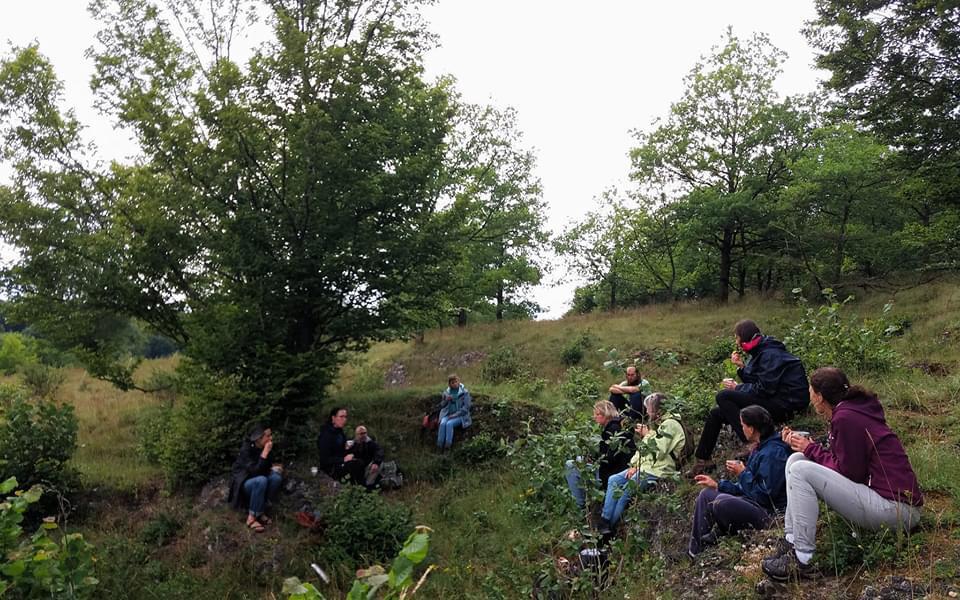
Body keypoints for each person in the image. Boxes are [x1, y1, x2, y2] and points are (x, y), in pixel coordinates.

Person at [761, 367, 924, 581]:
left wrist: (811, 448)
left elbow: (850, 472)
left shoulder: (845, 418)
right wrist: (808, 447)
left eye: (811, 393)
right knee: (795, 460)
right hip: (894, 503)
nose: (810, 399)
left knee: (801, 469)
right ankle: (792, 540)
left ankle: (802, 559)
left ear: (820, 397)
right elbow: (848, 459)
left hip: (897, 510)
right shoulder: (853, 409)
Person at [689, 319, 809, 476]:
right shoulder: (762, 349)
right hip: (775, 399)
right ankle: (703, 460)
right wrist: (741, 367)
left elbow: (765, 389)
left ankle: (753, 443)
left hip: (787, 404)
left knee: (724, 396)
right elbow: (760, 382)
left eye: (737, 338)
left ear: (744, 339)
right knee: (716, 413)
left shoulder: (770, 354)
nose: (736, 343)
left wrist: (737, 388)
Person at [688, 405, 790, 557]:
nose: (741, 428)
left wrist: (742, 473)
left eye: (743, 425)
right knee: (706, 494)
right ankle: (695, 550)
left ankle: (719, 533)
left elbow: (765, 496)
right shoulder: (761, 448)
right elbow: (746, 488)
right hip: (752, 502)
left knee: (721, 501)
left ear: (751, 428)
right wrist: (718, 485)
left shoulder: (774, 453)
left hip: (769, 513)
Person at [597, 393, 684, 533]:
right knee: (613, 480)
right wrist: (634, 465)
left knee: (625, 491)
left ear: (657, 409)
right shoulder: (659, 424)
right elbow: (643, 450)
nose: (648, 412)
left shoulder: (670, 424)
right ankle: (605, 521)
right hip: (646, 466)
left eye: (649, 409)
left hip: (659, 469)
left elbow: (659, 452)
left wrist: (647, 434)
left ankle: (609, 531)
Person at [564, 400, 636, 511]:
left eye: (598, 414)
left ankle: (580, 505)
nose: (594, 417)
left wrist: (594, 460)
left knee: (571, 464)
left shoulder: (613, 430)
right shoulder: (620, 425)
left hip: (610, 472)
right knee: (578, 459)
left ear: (606, 415)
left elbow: (611, 458)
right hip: (618, 469)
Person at [228, 424, 283, 532]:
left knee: (276, 478)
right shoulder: (246, 450)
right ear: (259, 438)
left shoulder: (264, 446)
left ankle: (260, 511)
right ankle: (251, 517)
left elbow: (270, 464)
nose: (271, 438)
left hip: (259, 478)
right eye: (268, 436)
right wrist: (265, 452)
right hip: (244, 482)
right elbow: (254, 472)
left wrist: (276, 468)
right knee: (261, 480)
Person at [317, 407, 365, 484]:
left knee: (362, 452)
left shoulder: (339, 431)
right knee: (357, 464)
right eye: (341, 417)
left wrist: (349, 447)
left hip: (341, 461)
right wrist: (343, 459)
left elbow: (341, 448)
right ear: (333, 418)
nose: (344, 419)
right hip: (332, 467)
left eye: (345, 417)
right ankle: (360, 488)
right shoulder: (326, 435)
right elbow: (324, 459)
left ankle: (364, 486)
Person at [437, 374, 472, 450]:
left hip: (460, 416)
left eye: (456, 382)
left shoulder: (464, 392)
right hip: (448, 414)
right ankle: (439, 445)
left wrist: (455, 415)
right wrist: (446, 400)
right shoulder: (446, 393)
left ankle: (447, 446)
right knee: (443, 423)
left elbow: (466, 407)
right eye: (452, 383)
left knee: (449, 424)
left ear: (459, 382)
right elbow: (442, 405)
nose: (455, 384)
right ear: (449, 384)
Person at [351, 425, 385, 489]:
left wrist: (376, 462)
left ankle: (369, 488)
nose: (364, 435)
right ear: (357, 434)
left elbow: (379, 451)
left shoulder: (370, 443)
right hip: (358, 467)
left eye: (365, 433)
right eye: (361, 433)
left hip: (369, 466)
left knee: (376, 467)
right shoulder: (353, 443)